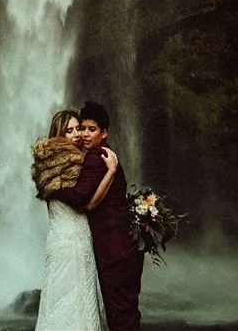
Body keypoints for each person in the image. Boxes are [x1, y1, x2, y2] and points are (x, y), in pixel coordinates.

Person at [54, 101, 141, 331]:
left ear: (104, 133)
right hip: (122, 249)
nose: (83, 134)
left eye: (91, 129)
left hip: (114, 251)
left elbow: (79, 197)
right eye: (81, 128)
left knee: (121, 318)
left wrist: (51, 183)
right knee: (126, 315)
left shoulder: (96, 157)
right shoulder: (105, 154)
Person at [31, 109, 107, 331]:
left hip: (69, 238)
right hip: (70, 241)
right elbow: (81, 200)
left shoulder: (48, 164)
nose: (76, 135)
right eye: (69, 130)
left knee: (70, 301)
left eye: (78, 129)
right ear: (58, 133)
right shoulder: (64, 164)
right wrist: (110, 172)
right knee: (70, 302)